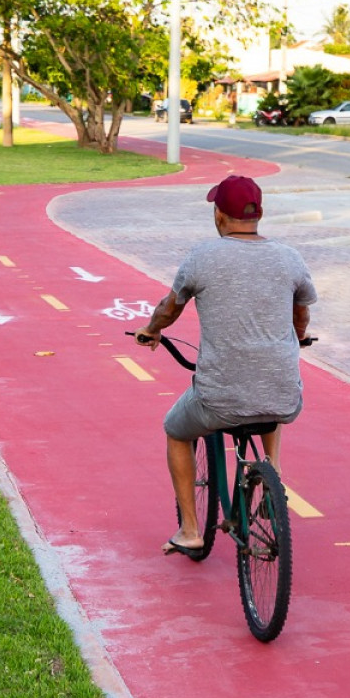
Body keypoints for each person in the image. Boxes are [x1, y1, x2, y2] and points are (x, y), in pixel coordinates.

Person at [135, 175, 317, 554]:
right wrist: (298, 337)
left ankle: (189, 530)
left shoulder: (203, 257)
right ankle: (273, 475)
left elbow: (170, 308)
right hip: (284, 396)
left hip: (219, 399)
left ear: (220, 216)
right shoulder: (289, 257)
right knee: (271, 393)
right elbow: (301, 314)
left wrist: (152, 331)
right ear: (259, 214)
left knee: (175, 430)